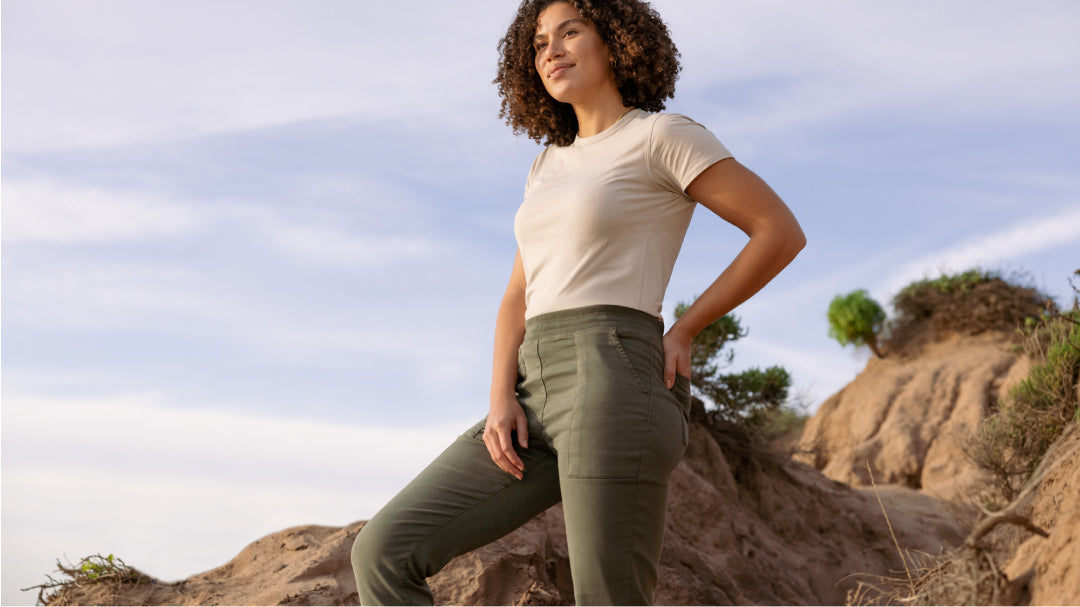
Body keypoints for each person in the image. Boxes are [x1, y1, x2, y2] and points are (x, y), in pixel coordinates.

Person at [350, 0, 805, 604]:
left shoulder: (661, 136)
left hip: (615, 376)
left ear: (615, 41)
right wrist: (499, 397)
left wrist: (687, 328)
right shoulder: (546, 165)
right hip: (534, 387)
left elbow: (778, 231)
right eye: (539, 43)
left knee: (606, 596)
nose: (552, 50)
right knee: (384, 550)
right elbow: (519, 293)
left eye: (570, 31)